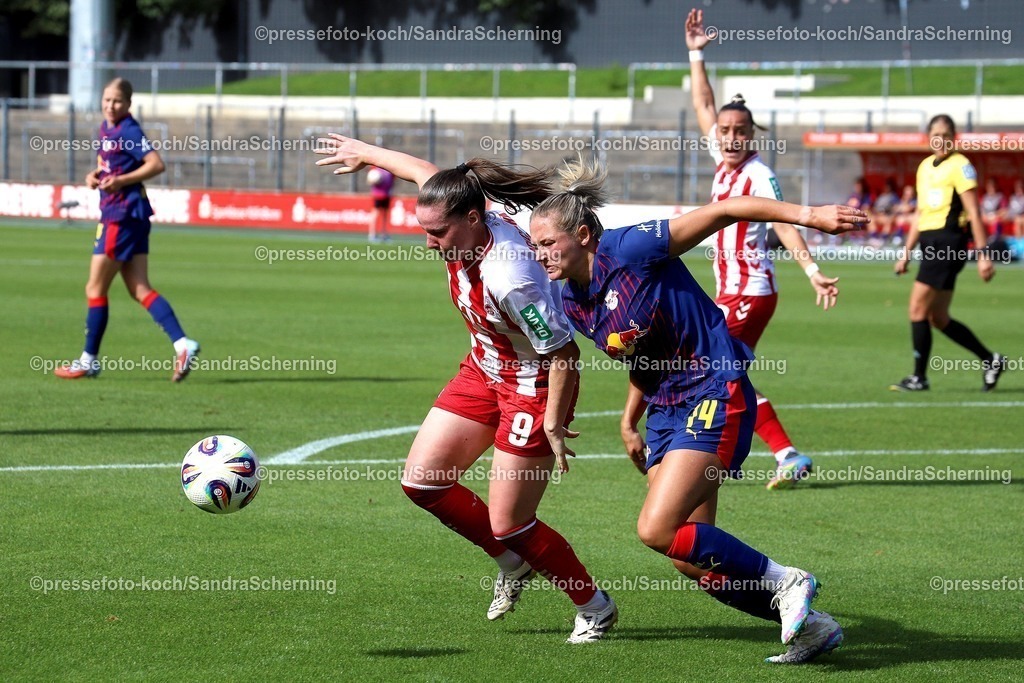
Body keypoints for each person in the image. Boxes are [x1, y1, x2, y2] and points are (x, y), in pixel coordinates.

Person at [528, 154, 866, 664]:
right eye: (535, 246)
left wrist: (808, 216)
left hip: (714, 387)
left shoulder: (633, 247)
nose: (540, 255)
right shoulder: (573, 301)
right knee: (693, 561)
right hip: (666, 409)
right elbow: (641, 354)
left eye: (548, 243)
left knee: (655, 529)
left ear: (583, 235)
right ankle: (811, 627)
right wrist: (627, 420)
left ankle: (791, 580)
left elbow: (726, 209)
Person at [314, 134, 617, 643]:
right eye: (426, 231)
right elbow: (422, 171)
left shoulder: (510, 276)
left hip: (532, 383)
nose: (430, 243)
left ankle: (594, 605)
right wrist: (365, 152)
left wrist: (552, 421)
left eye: (438, 233)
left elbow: (563, 353)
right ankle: (512, 565)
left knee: (511, 522)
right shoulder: (460, 208)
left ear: (473, 220)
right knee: (424, 482)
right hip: (484, 368)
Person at [686, 8, 840, 490]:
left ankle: (713, 454)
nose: (729, 136)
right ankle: (786, 454)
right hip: (734, 291)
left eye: (739, 132)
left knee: (706, 365)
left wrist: (812, 269)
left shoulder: (757, 174)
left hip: (749, 292)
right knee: (726, 374)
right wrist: (695, 55)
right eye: (725, 131)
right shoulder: (724, 161)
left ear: (752, 135)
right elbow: (704, 103)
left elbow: (788, 221)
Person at [55, 77, 199, 381]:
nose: (110, 105)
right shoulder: (109, 128)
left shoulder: (128, 129)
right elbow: (112, 164)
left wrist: (120, 181)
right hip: (130, 215)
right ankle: (183, 343)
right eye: (106, 99)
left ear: (128, 104)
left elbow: (156, 164)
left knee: (95, 288)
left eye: (117, 101)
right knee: (139, 288)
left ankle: (88, 360)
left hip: (120, 216)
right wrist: (97, 175)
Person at [892, 114, 1006, 392]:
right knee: (938, 317)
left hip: (948, 244)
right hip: (930, 243)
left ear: (954, 137)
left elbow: (974, 211)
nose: (940, 140)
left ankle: (919, 377)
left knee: (917, 308)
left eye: (945, 135)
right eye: (935, 134)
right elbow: (919, 213)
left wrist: (983, 254)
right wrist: (906, 252)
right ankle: (991, 360)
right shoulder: (924, 168)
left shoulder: (961, 166)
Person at [367, 165, 395, 242]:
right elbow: (370, 178)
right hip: (378, 195)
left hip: (386, 194)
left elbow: (393, 179)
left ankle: (384, 234)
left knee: (385, 214)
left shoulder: (390, 169)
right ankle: (372, 234)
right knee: (375, 213)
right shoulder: (375, 167)